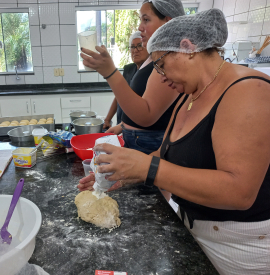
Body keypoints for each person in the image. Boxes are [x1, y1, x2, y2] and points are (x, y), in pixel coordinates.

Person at [79, 9, 270, 275]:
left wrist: (148, 169)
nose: (161, 76)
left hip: (240, 248)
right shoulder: (188, 96)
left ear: (187, 48)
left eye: (161, 64)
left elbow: (240, 192)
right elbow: (164, 154)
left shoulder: (248, 90)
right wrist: (123, 174)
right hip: (192, 229)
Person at [82, 0, 185, 154]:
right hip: (138, 139)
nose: (140, 27)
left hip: (148, 143)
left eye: (146, 19)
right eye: (140, 20)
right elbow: (141, 100)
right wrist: (123, 125)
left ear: (168, 22)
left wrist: (110, 72)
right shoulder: (154, 57)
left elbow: (146, 115)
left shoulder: (170, 59)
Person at [103, 31, 148, 128]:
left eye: (140, 46)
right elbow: (119, 96)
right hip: (121, 124)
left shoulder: (151, 73)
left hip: (137, 129)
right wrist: (107, 119)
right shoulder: (128, 69)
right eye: (132, 47)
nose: (135, 50)